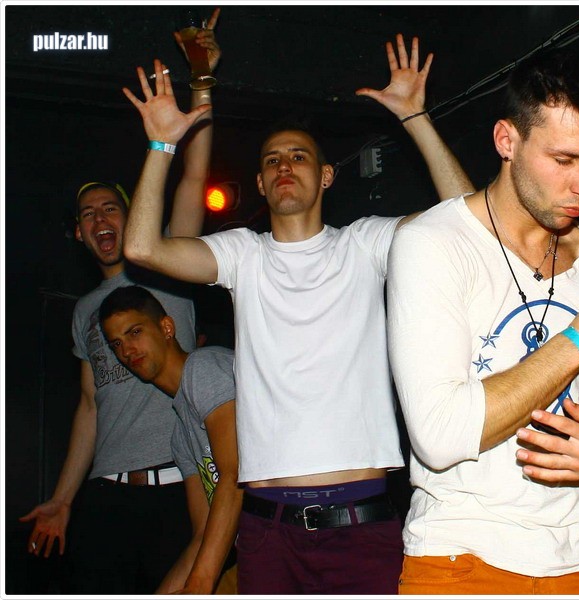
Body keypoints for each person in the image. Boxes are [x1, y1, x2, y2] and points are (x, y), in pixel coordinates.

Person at [120, 35, 473, 594]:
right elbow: (141, 248)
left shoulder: (364, 244)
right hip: (269, 532)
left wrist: (416, 117)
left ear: (326, 176)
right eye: (272, 161)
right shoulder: (243, 255)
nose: (285, 166)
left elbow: (467, 224)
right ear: (261, 184)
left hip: (362, 526)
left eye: (299, 156)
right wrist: (162, 145)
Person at [386, 48, 579, 595]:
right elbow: (439, 435)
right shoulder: (432, 245)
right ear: (507, 141)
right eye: (564, 160)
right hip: (461, 554)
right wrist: (576, 343)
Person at [19, 10, 222, 594]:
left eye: (110, 207)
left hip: (177, 488)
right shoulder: (84, 311)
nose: (99, 218)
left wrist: (202, 80)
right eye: (88, 215)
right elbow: (89, 406)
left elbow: (193, 177)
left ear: (131, 216)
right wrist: (62, 498)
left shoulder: (167, 267)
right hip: (107, 497)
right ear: (80, 236)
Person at [98, 284, 240, 595]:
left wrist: (199, 586)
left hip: (297, 532)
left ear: (166, 327)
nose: (126, 350)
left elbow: (233, 477)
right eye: (116, 343)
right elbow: (202, 533)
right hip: (254, 551)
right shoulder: (181, 434)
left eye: (135, 332)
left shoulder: (203, 368)